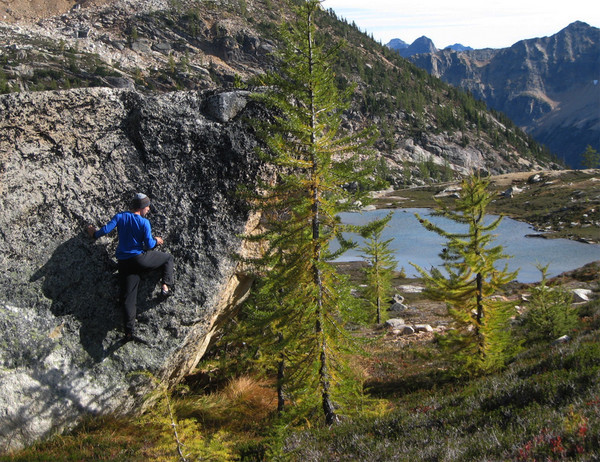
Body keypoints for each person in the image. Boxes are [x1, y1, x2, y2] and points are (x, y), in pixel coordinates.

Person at [87, 193, 174, 341]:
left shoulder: (120, 217)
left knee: (128, 299)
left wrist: (94, 233)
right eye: (147, 206)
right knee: (168, 258)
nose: (148, 209)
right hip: (140, 259)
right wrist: (157, 240)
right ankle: (165, 287)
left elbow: (104, 231)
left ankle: (129, 332)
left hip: (124, 263)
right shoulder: (144, 222)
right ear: (141, 207)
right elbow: (149, 245)